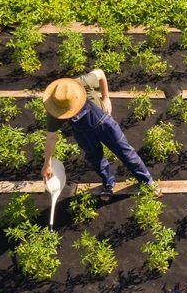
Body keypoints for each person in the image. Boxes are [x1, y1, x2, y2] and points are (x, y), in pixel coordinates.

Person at [41, 69, 160, 201]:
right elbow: (51, 137)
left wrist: (106, 97)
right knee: (97, 160)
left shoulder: (81, 83)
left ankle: (147, 182)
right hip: (83, 133)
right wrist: (47, 163)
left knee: (126, 153)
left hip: (105, 124)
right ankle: (108, 184)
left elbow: (101, 73)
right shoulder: (56, 107)